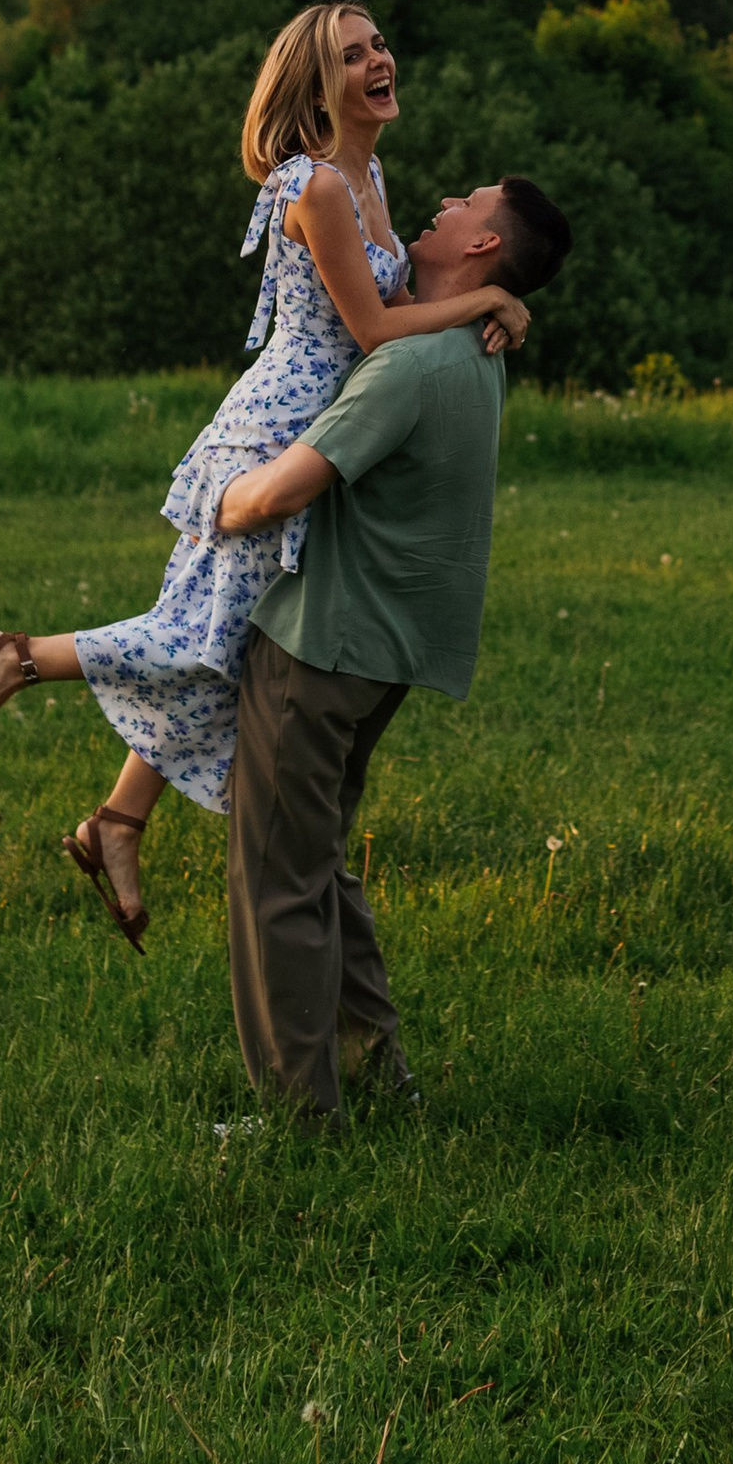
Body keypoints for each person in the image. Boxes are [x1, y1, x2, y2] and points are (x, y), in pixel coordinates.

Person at [0, 1, 528, 944]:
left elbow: (413, 297)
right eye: (351, 55)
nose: (379, 60)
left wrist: (496, 307)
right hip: (275, 437)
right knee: (202, 641)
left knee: (234, 650)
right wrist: (490, 296)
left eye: (379, 43)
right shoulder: (318, 188)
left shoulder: (368, 174)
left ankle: (117, 822)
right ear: (316, 85)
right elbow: (375, 331)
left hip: (324, 428)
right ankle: (13, 657)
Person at [212, 169, 573, 1123]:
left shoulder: (409, 367)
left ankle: (297, 1114)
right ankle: (376, 1077)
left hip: (321, 647)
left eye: (466, 203)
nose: (442, 204)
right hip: (385, 655)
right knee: (320, 864)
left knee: (275, 884)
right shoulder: (474, 348)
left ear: (483, 246)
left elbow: (282, 491)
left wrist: (213, 499)